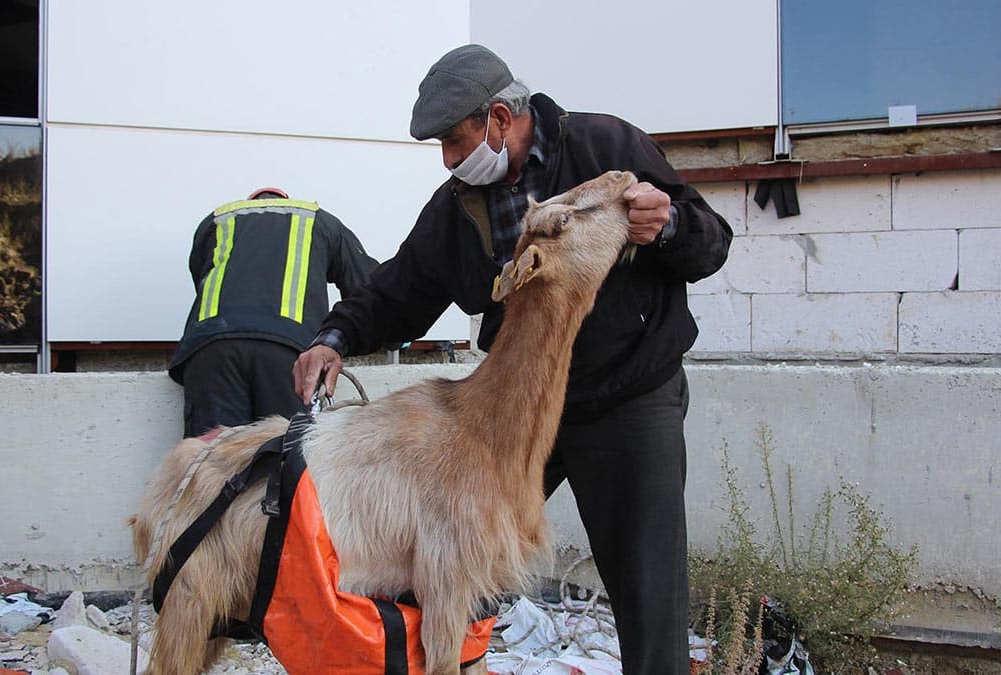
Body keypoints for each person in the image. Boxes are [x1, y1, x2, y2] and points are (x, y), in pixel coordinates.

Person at [292, 45, 733, 674]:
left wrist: (667, 226)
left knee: (647, 588)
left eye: (454, 139)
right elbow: (399, 289)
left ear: (500, 118)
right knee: (459, 555)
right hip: (516, 411)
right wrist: (333, 337)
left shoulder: (604, 147)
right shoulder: (457, 208)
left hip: (626, 397)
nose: (448, 159)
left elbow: (710, 243)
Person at [169, 187, 377, 438]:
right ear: (286, 200)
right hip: (288, 351)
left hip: (213, 351)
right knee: (286, 450)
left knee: (211, 455)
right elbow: (365, 286)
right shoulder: (320, 221)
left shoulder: (216, 221)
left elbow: (200, 276)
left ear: (249, 203)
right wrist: (396, 340)